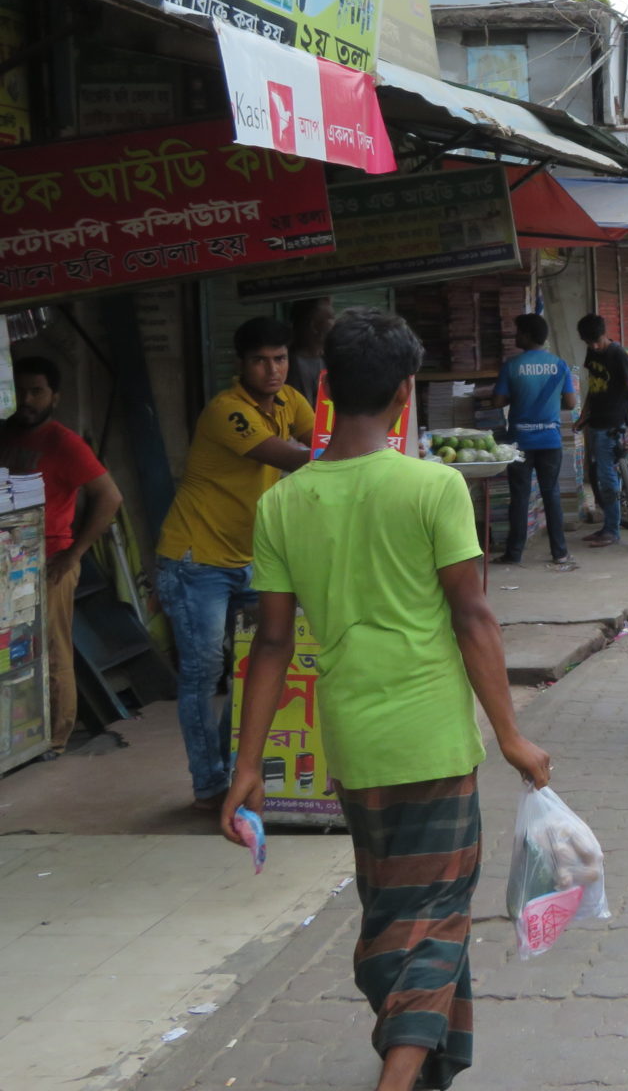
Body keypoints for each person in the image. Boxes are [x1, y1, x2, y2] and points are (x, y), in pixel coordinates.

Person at [225, 309, 551, 1091]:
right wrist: (511, 735)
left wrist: (248, 766)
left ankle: (428, 1065)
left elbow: (270, 646)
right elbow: (472, 615)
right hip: (435, 738)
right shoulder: (434, 486)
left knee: (390, 913)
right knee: (435, 916)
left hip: (357, 746)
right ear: (407, 394)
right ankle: (399, 1078)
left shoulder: (282, 503)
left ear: (327, 388)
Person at [156, 317, 314, 810]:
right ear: (241, 365)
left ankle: (232, 770)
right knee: (204, 674)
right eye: (261, 360)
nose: (273, 369)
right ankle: (209, 786)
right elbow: (296, 456)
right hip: (194, 559)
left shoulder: (290, 400)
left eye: (281, 359)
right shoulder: (228, 412)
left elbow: (323, 436)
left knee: (252, 669)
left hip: (251, 558)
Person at [0, 356, 123, 754]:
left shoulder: (64, 442)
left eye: (37, 391)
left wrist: (75, 553)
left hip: (49, 559)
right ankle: (19, 735)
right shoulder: (6, 436)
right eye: (20, 391)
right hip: (8, 559)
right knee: (13, 653)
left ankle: (55, 737)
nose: (27, 400)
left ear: (55, 396)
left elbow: (109, 497)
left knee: (52, 650)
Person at [484, 315, 576, 570]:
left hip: (520, 441)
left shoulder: (512, 366)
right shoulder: (559, 365)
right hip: (550, 440)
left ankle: (514, 553)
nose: (515, 337)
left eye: (518, 333)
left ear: (526, 335)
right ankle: (560, 553)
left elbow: (497, 402)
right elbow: (570, 403)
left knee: (520, 496)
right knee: (551, 494)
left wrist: (520, 396)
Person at [576, 314, 628, 551]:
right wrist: (583, 415)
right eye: (589, 343)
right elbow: (594, 386)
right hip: (595, 423)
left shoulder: (617, 355)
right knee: (601, 477)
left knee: (608, 479)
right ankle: (609, 526)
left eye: (597, 341)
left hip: (612, 425)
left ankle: (612, 529)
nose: (594, 346)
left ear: (604, 334)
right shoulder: (593, 353)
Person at [286, 297, 334, 408]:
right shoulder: (291, 365)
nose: (334, 324)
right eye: (331, 318)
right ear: (314, 326)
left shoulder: (328, 359)